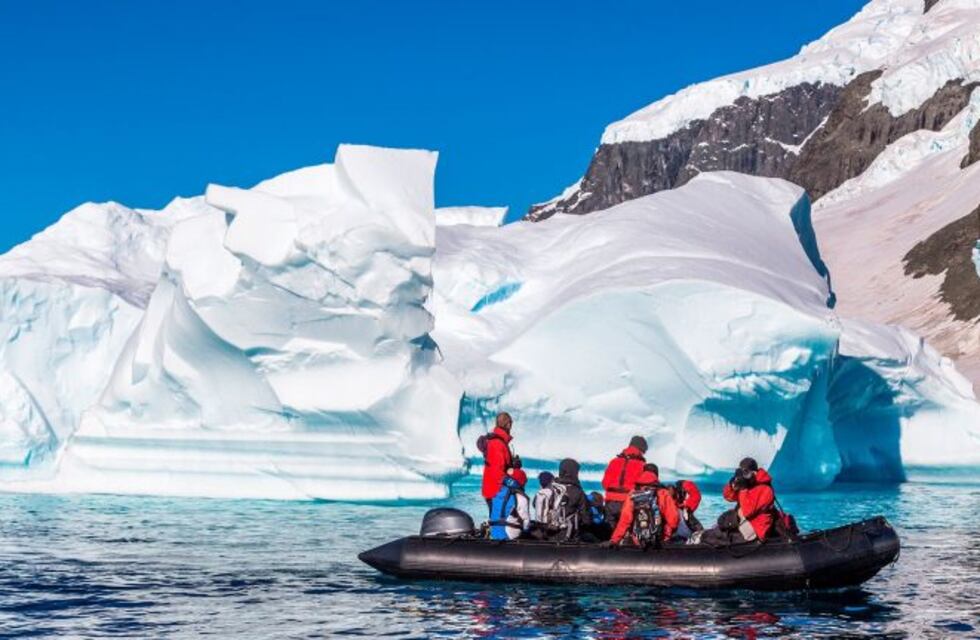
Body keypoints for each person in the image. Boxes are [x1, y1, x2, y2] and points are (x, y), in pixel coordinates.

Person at [699, 457, 776, 546]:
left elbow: (748, 511)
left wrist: (743, 489)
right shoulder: (747, 484)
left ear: (755, 473)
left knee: (714, 538)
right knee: (719, 526)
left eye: (747, 472)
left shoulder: (765, 489)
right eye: (743, 472)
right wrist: (732, 485)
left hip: (755, 530)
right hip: (743, 524)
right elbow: (728, 497)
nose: (745, 476)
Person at [609, 465, 679, 546]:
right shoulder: (663, 493)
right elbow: (673, 520)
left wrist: (614, 540)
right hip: (659, 540)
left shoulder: (633, 493)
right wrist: (667, 536)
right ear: (656, 475)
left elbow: (625, 519)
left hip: (638, 541)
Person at [601, 436, 648, 527]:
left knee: (609, 533)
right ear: (641, 449)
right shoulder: (642, 465)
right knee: (625, 533)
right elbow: (643, 487)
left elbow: (605, 483)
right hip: (628, 503)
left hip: (610, 503)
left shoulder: (614, 461)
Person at [544, 458, 593, 541]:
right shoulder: (578, 492)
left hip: (549, 534)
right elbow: (586, 520)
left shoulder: (550, 488)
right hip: (570, 536)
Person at [480, 412, 516, 515]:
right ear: (508, 424)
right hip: (496, 492)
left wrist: (512, 465)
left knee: (497, 519)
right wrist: (513, 484)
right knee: (499, 521)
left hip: (492, 489)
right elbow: (498, 471)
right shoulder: (497, 443)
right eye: (511, 424)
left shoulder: (498, 442)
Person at [488, 468, 531, 540]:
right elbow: (526, 521)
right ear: (521, 482)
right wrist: (527, 531)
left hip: (493, 533)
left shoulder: (496, 493)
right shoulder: (520, 497)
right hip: (510, 536)